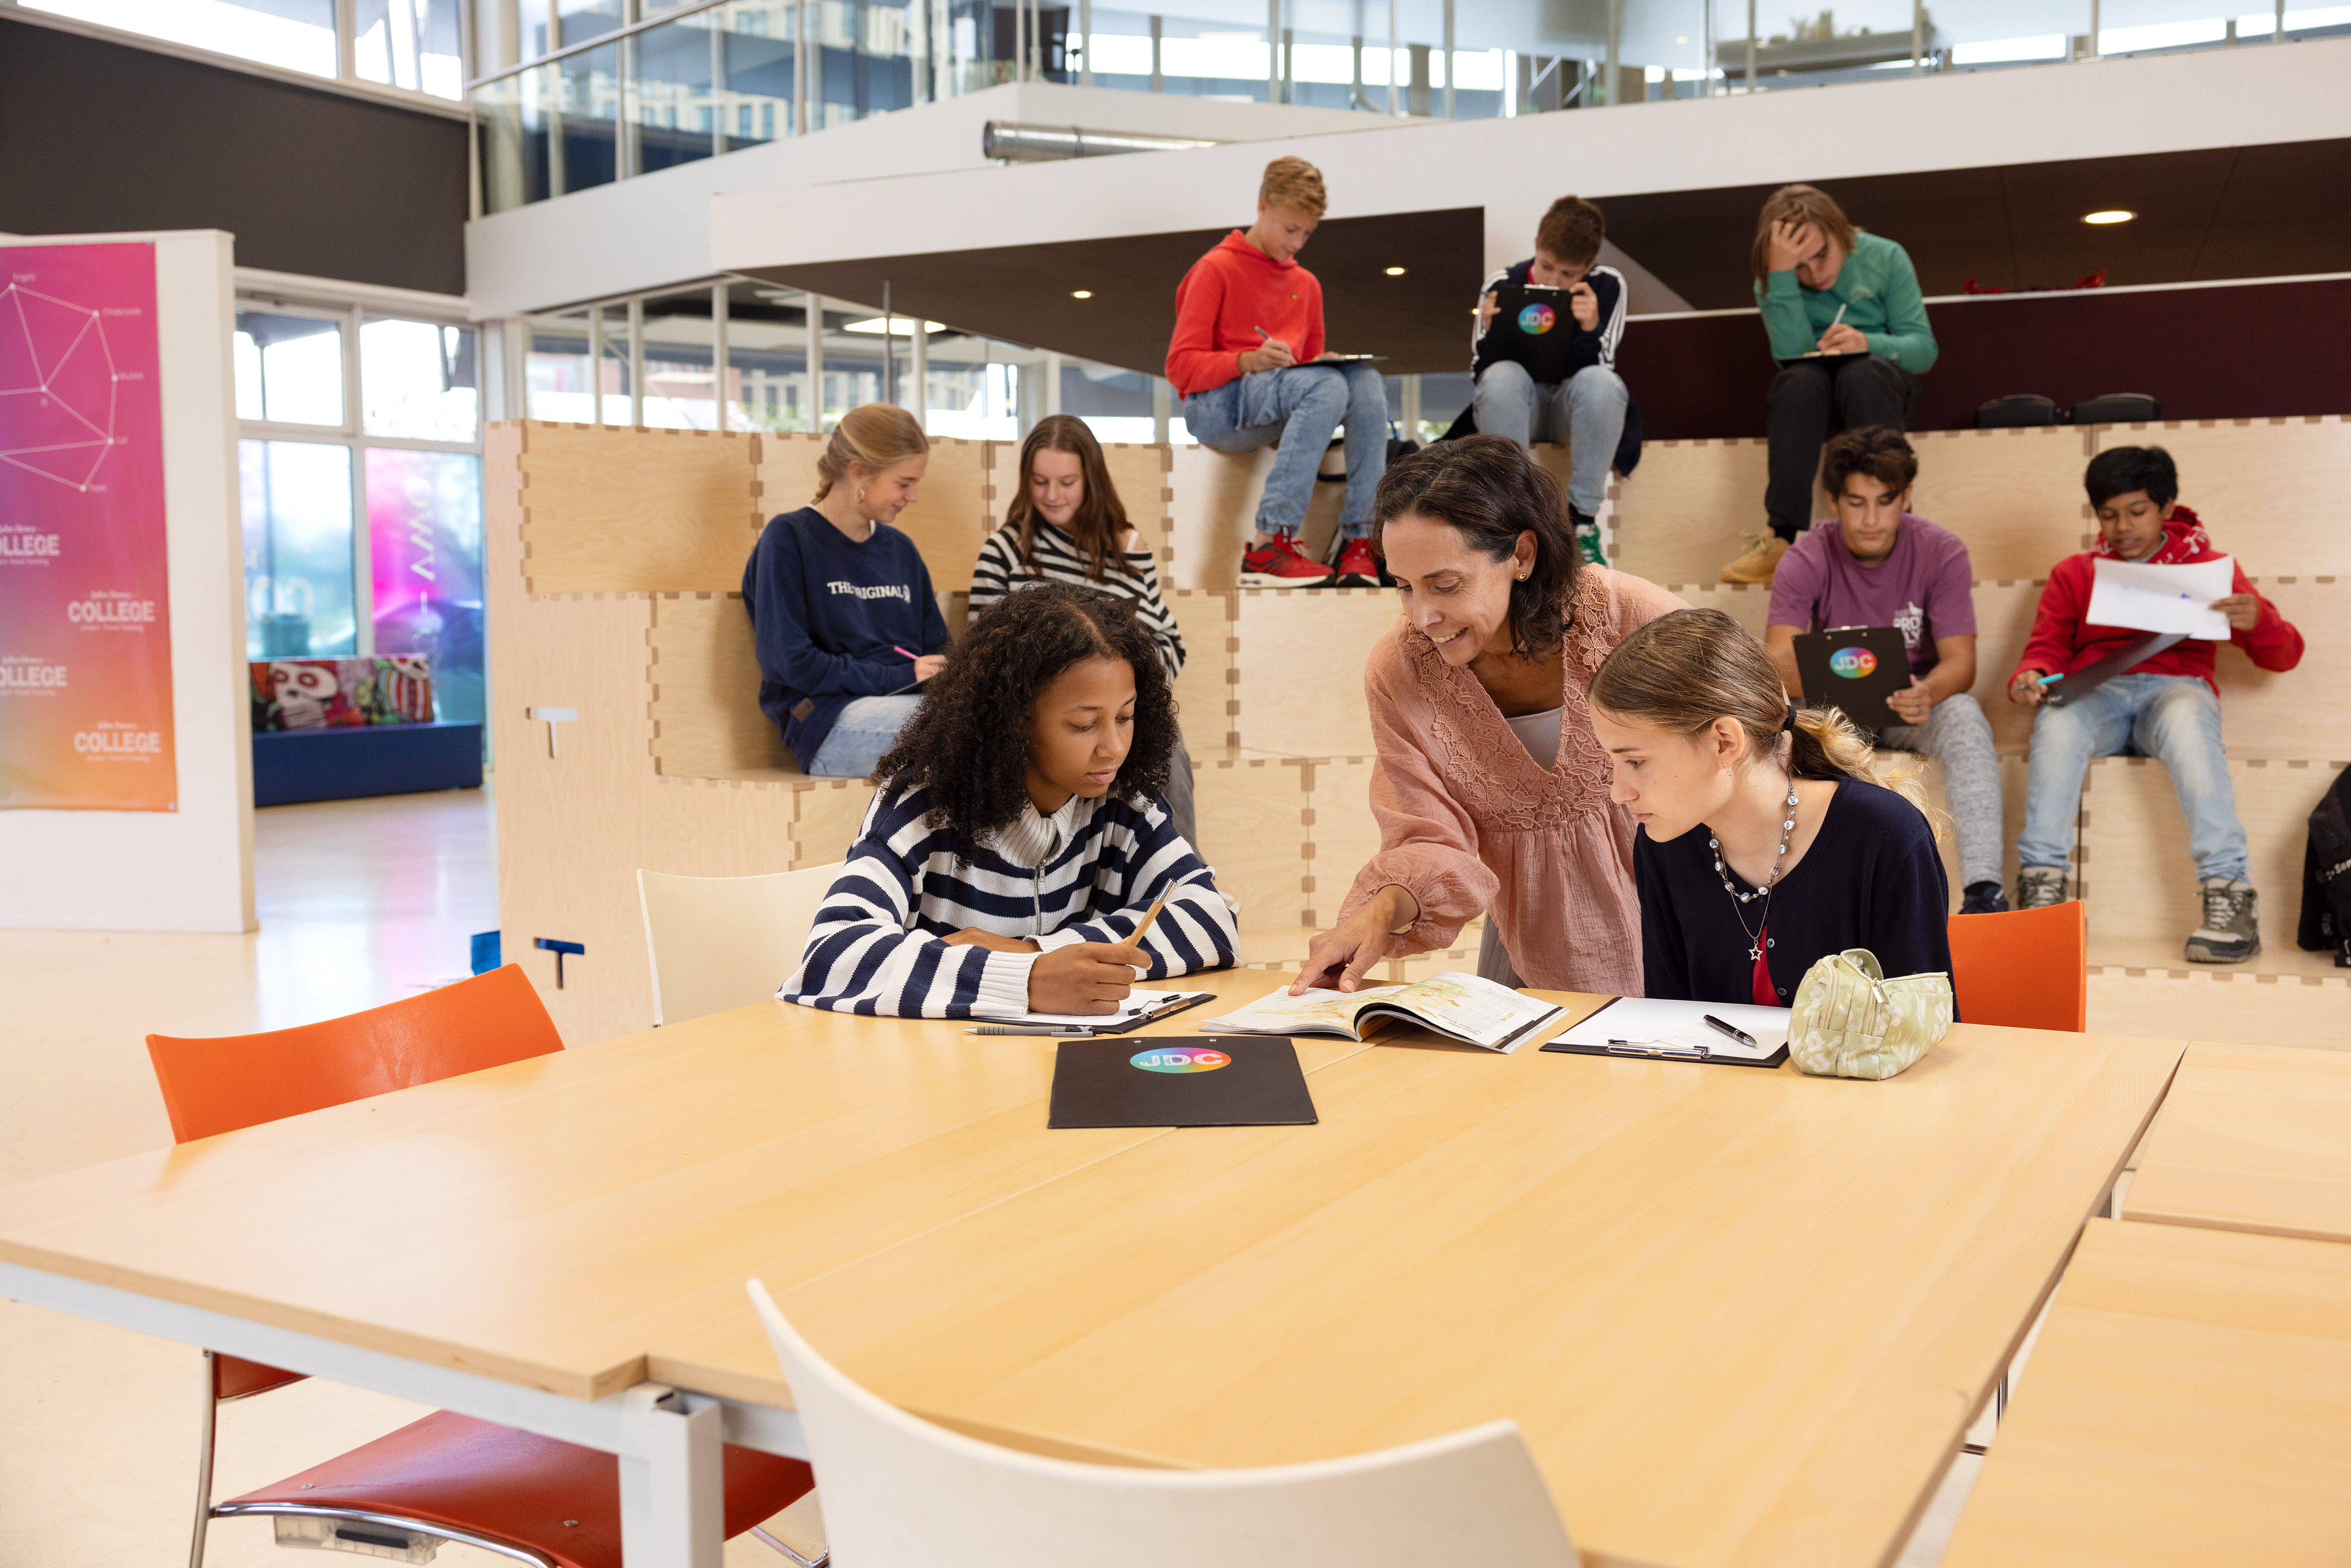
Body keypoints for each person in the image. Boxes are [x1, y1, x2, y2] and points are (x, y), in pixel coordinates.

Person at [1288, 435, 1685, 998]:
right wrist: (1374, 917)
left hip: (1687, 918)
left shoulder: (1632, 618)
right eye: (1402, 587)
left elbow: (1741, 756)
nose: (1422, 616)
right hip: (1531, 939)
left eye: (1445, 585)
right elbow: (1429, 835)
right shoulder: (1398, 670)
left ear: (1521, 555)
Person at [783, 581, 1237, 1019]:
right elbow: (833, 953)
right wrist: (1025, 979)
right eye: (1084, 725)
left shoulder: (1123, 802)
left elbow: (1212, 917)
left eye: (1125, 716)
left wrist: (1034, 956)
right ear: (1017, 722)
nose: (1114, 747)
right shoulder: (923, 806)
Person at [2008, 445, 2303, 962]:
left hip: (2175, 689)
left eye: (2136, 511)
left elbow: (2283, 657)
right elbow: (2046, 645)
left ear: (2166, 507)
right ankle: (2042, 888)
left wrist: (2258, 620)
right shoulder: (2074, 573)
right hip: (2094, 694)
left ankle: (2228, 892)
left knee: (2189, 720)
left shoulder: (2210, 568)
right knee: (2054, 717)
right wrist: (2029, 675)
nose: (2121, 526)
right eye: (2107, 514)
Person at [1588, 608, 1953, 1006]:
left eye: (1635, 762)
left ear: (1725, 741)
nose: (1618, 792)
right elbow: (1672, 1030)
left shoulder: (1886, 835)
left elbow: (1922, 1038)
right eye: (1613, 762)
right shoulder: (1662, 842)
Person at [1764, 426, 2007, 914]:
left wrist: (1928, 690)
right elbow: (1775, 665)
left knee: (1962, 714)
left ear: (1906, 496)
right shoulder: (1804, 557)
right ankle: (1796, 891)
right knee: (1781, 722)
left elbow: (1960, 663)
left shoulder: (1941, 550)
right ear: (1832, 501)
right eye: (1855, 502)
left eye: (1884, 501)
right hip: (1834, 709)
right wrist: (1826, 674)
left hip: (1913, 703)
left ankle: (1983, 893)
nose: (1870, 518)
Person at [969, 414, 1197, 848]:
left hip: (1116, 701)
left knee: (1160, 734)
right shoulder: (1004, 550)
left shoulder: (1128, 547)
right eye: (1039, 482)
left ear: (1091, 480)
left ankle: (1181, 878)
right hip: (1044, 709)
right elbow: (984, 654)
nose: (1052, 495)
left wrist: (1132, 694)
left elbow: (1169, 642)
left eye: (1067, 482)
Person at [1166, 155, 1389, 590]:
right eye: (1291, 230)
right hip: (1215, 408)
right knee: (1326, 385)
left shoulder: (1306, 284)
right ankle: (1271, 542)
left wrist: (1324, 362)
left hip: (1280, 406)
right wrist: (1247, 361)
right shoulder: (1215, 268)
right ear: (1262, 206)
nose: (1298, 243)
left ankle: (1360, 543)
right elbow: (1180, 368)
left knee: (1365, 382)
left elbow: (1307, 372)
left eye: (1308, 233)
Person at [1723, 183, 1937, 586]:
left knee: (1863, 373)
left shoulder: (1885, 255)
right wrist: (1782, 277)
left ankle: (1895, 529)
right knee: (1797, 381)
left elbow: (1923, 350)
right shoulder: (1776, 278)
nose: (1815, 274)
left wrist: (1866, 341)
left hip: (1880, 388)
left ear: (1840, 233)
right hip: (1814, 393)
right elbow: (1792, 354)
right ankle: (1781, 537)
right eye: (1799, 267)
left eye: (1821, 255)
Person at [742, 404, 951, 777]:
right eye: (904, 483)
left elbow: (937, 650)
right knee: (961, 734)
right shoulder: (788, 539)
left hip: (907, 705)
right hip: (826, 718)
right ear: (858, 472)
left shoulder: (901, 550)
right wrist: (900, 677)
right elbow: (790, 663)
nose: (913, 496)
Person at [1468, 194, 1627, 570]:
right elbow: (1481, 373)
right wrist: (1494, 334)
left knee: (1603, 383)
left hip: (1572, 410)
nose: (1555, 282)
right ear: (1536, 247)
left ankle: (1582, 524)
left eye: (1569, 274)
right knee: (1502, 377)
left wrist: (1590, 328)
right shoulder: (1502, 282)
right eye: (1547, 267)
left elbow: (1604, 364)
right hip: (1517, 407)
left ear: (1590, 265)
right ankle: (1516, 518)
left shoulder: (1609, 285)